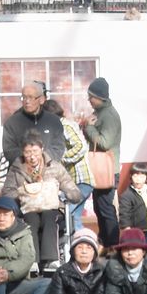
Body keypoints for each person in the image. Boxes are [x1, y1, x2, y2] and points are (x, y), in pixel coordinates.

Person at [0, 137, 79, 272]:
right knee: (31, 220)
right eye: (28, 152)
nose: (32, 157)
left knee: (49, 217)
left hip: (51, 208)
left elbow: (73, 190)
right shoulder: (17, 168)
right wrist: (23, 193)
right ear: (22, 152)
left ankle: (51, 260)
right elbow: (7, 192)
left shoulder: (54, 166)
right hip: (28, 209)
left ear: (42, 149)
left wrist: (67, 194)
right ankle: (32, 261)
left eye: (35, 152)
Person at [82, 77, 122, 251]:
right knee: (99, 208)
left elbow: (104, 143)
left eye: (91, 96)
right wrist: (86, 127)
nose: (89, 100)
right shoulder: (99, 113)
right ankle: (105, 242)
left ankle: (112, 245)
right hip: (100, 169)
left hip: (107, 170)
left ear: (100, 97)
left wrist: (89, 128)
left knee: (106, 208)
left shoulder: (109, 116)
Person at [47, 99, 94, 239]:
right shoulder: (61, 126)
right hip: (78, 181)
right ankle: (83, 243)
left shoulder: (64, 126)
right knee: (74, 217)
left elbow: (81, 146)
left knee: (66, 213)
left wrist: (63, 158)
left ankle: (80, 243)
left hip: (81, 179)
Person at [1, 80, 66, 167]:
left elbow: (58, 147)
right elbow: (9, 150)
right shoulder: (12, 123)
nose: (27, 101)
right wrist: (29, 158)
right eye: (24, 97)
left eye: (31, 97)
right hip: (21, 171)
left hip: (48, 169)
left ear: (41, 100)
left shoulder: (53, 121)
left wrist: (42, 159)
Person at [118, 163, 147, 239]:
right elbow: (124, 213)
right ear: (131, 176)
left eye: (142, 176)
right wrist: (126, 228)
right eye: (135, 176)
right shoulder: (127, 195)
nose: (138, 179)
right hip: (136, 232)